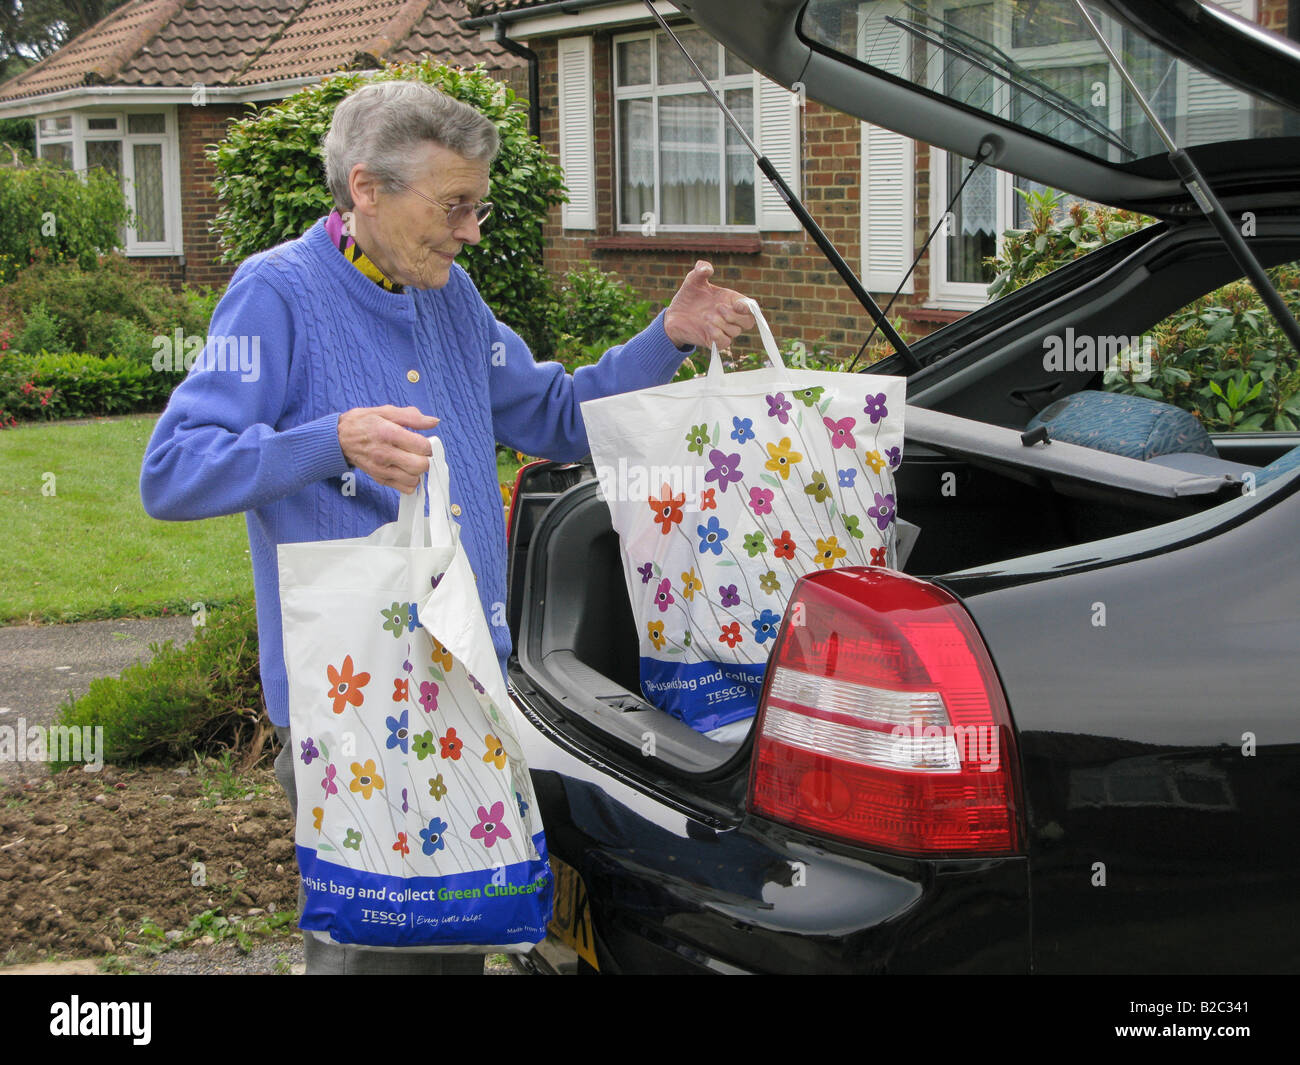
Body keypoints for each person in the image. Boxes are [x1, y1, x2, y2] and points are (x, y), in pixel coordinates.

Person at [139, 79, 754, 974]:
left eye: (478, 205)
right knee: (376, 955)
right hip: (353, 699)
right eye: (454, 205)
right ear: (366, 189)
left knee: (458, 941)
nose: (471, 230)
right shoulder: (276, 294)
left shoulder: (450, 297)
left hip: (463, 682)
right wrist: (330, 441)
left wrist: (667, 334)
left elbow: (557, 414)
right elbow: (173, 469)